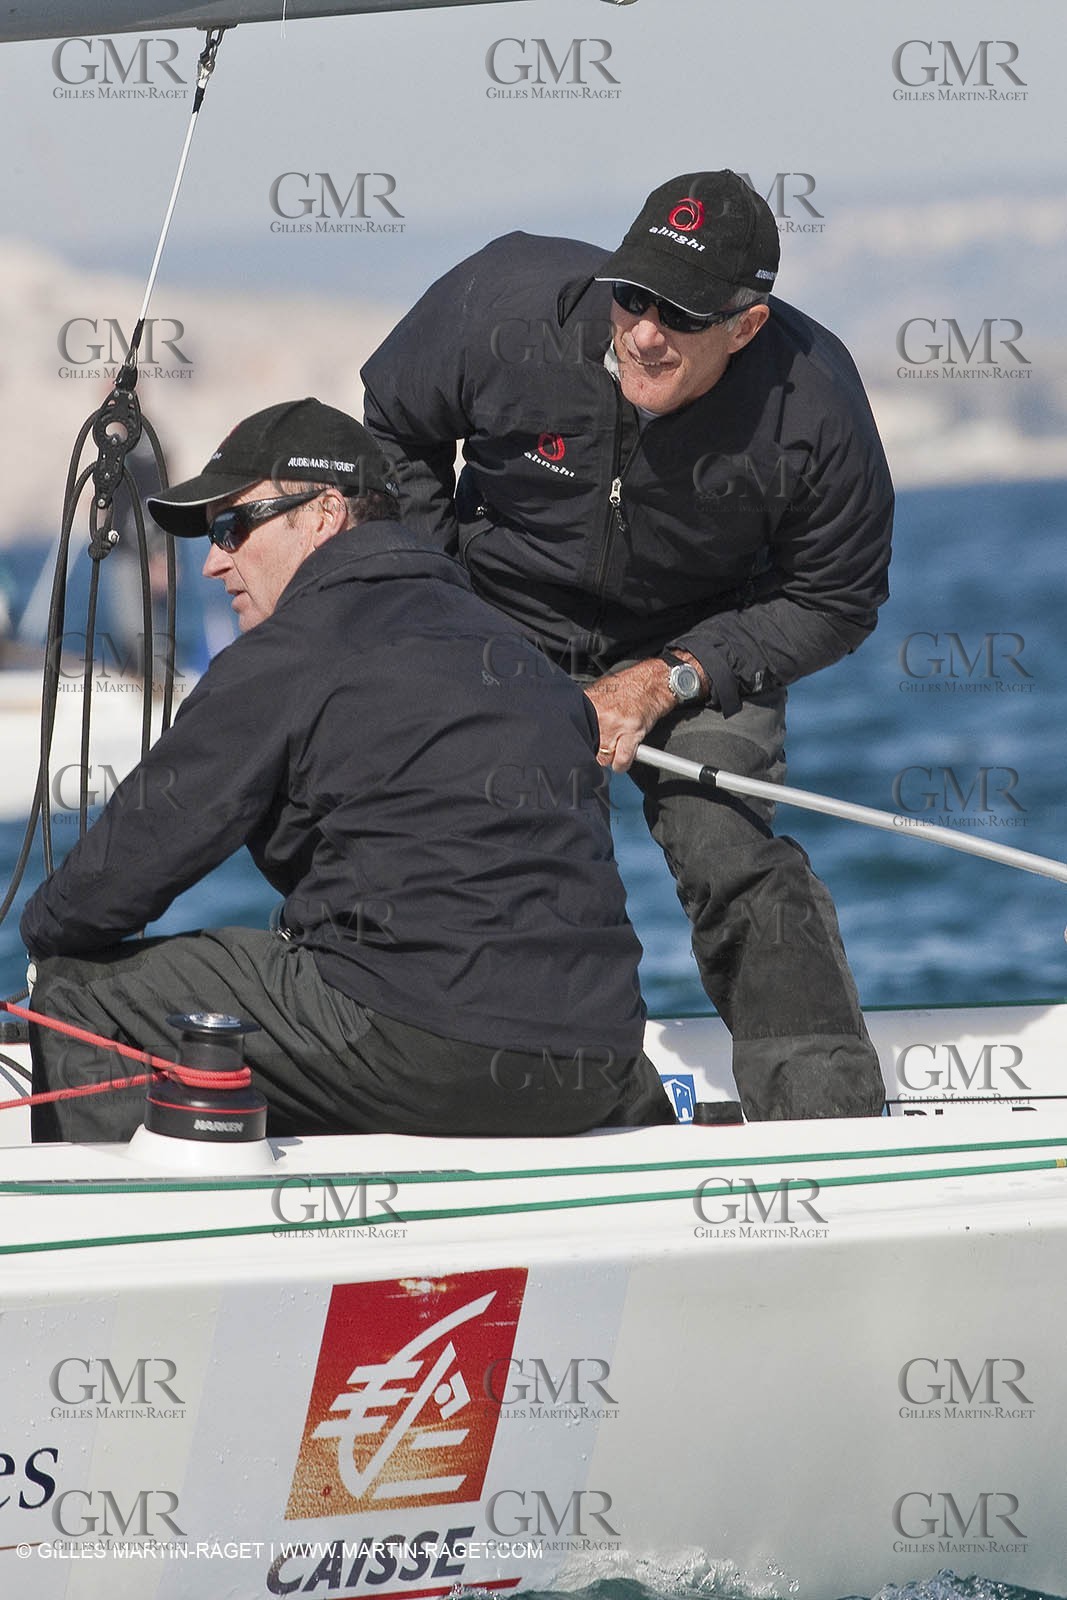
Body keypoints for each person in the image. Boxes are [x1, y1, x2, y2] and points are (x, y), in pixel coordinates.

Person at [360, 170, 894, 1121]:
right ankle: (431, 1084)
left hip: (699, 637)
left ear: (746, 325)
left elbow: (836, 597)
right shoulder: (503, 301)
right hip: (495, 614)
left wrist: (670, 676)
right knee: (461, 835)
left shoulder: (813, 401)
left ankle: (827, 1118)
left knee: (721, 837)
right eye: (632, 296)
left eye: (681, 314)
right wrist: (437, 603)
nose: (644, 331)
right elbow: (394, 428)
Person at [21, 398, 674, 1143]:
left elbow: (121, 875)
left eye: (233, 527)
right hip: (600, 1061)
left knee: (77, 991)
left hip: (426, 1050)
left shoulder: (291, 650)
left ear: (324, 512)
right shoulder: (514, 648)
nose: (212, 559)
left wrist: (43, 940)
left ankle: (116, 1243)